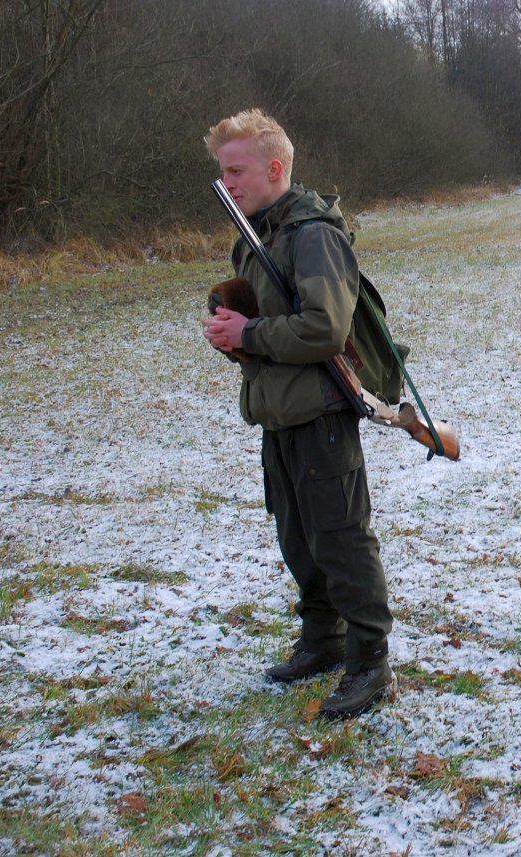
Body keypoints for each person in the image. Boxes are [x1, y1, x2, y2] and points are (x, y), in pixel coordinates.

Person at [202, 109, 393, 719]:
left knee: (341, 540)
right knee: (298, 538)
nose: (227, 183)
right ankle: (323, 640)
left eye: (237, 171)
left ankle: (369, 662)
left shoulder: (312, 236)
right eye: (223, 172)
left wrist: (250, 333)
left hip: (320, 414)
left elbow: (324, 330)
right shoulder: (257, 236)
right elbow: (269, 326)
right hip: (278, 412)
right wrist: (233, 335)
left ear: (274, 168)